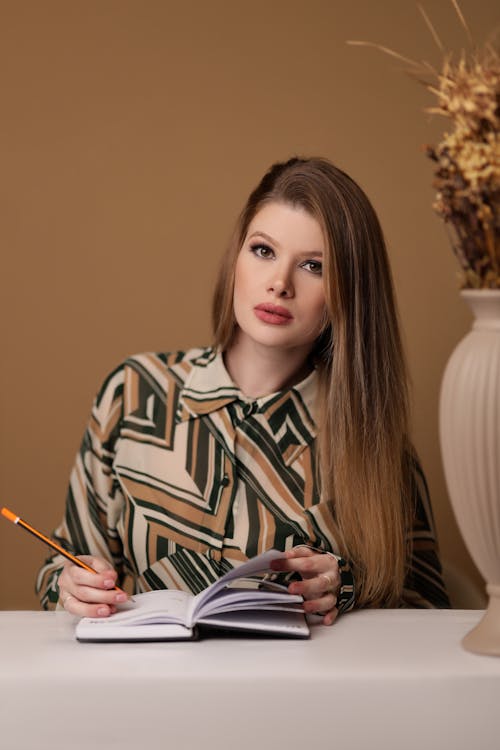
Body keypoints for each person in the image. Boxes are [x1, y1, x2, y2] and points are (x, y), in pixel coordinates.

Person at [36, 156, 450, 624]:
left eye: (313, 266)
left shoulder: (373, 441)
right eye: (263, 251)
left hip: (296, 696)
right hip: (149, 690)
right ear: (236, 257)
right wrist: (72, 584)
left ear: (348, 294)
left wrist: (346, 586)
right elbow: (60, 567)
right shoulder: (134, 394)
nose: (279, 284)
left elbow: (428, 613)